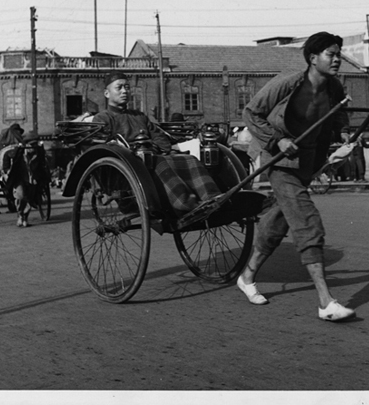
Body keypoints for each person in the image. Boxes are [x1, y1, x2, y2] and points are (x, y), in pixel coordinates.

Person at [238, 31, 355, 322]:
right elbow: (252, 113)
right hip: (281, 163)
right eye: (331, 54)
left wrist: (344, 137)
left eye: (339, 53)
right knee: (306, 221)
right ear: (313, 58)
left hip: (307, 163)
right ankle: (326, 301)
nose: (338, 59)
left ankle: (247, 276)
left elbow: (339, 116)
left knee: (279, 220)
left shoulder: (334, 88)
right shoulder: (289, 82)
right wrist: (276, 140)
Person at [92, 70, 221, 213]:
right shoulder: (102, 119)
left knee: (189, 158)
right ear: (106, 93)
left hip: (151, 157)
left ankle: (213, 198)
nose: (124, 91)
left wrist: (151, 147)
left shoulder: (139, 116)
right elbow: (107, 146)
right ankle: (187, 204)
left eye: (127, 87)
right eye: (119, 87)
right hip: (128, 168)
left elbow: (160, 138)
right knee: (160, 163)